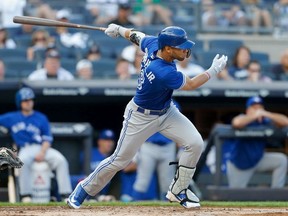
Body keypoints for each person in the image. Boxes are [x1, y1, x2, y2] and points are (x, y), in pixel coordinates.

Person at [67, 23, 227, 209]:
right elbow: (191, 85)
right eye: (181, 47)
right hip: (140, 117)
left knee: (195, 143)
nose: (186, 50)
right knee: (120, 159)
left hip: (167, 112)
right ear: (167, 49)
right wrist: (213, 70)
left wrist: (118, 29)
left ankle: (178, 189)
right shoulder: (162, 71)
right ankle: (83, 189)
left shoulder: (153, 43)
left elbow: (136, 35)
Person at [0, 87, 72, 202]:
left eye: (30, 100)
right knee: (21, 161)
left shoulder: (41, 117)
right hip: (25, 148)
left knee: (61, 160)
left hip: (42, 147)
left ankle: (65, 194)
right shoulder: (12, 117)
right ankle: (25, 195)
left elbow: (47, 138)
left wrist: (42, 152)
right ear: (20, 102)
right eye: (25, 100)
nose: (29, 103)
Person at [226, 96, 288, 188]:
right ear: (247, 110)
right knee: (235, 197)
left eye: (260, 107)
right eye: (254, 108)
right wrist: (254, 116)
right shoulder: (243, 118)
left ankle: (276, 193)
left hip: (258, 159)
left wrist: (267, 114)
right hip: (240, 164)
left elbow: (285, 122)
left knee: (281, 160)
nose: (258, 110)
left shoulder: (265, 121)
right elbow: (237, 123)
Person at [132, 132, 177, 201]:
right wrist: (136, 149)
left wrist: (182, 148)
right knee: (142, 181)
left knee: (168, 184)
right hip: (148, 145)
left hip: (169, 145)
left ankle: (168, 210)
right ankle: (133, 207)